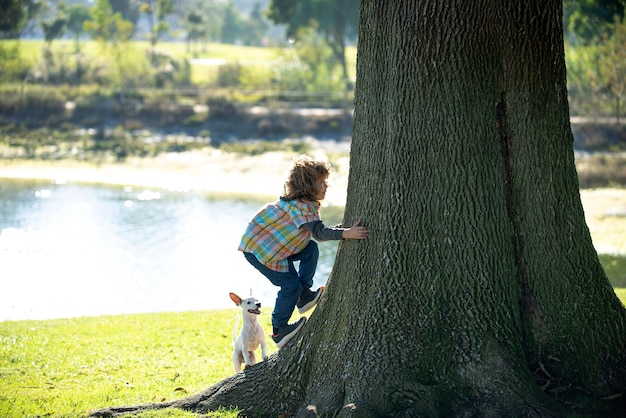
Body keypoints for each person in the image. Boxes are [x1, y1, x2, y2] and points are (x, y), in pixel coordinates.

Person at [238, 155, 370, 348]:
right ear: (307, 186)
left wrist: (344, 230)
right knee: (290, 286)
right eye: (321, 182)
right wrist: (347, 233)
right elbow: (319, 233)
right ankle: (279, 330)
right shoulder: (300, 208)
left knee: (310, 249)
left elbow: (317, 230)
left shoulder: (304, 205)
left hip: (277, 246)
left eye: (326, 181)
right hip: (260, 251)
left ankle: (304, 296)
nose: (326, 186)